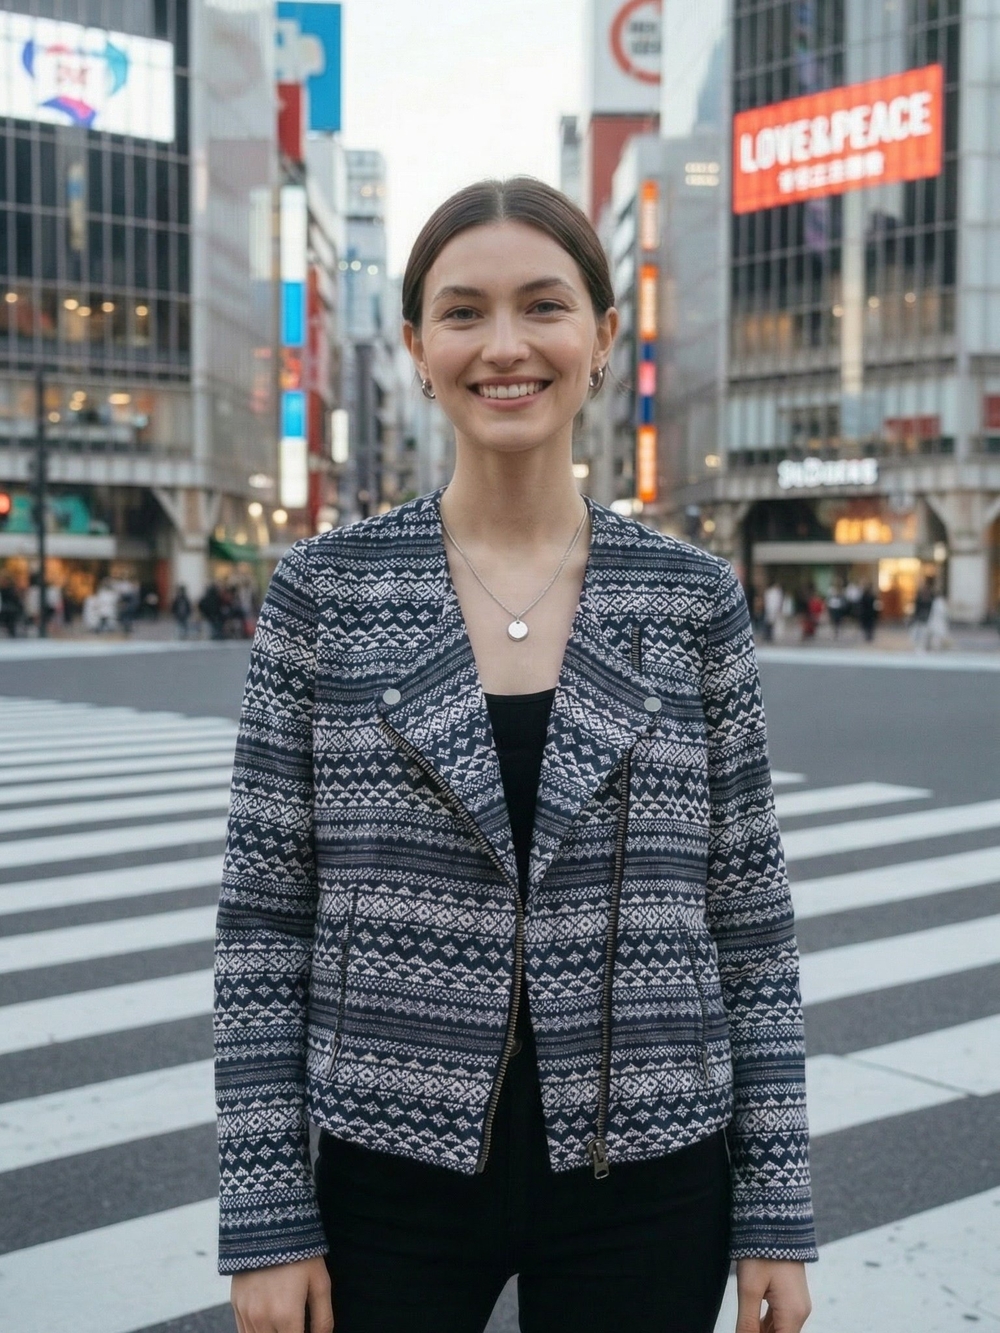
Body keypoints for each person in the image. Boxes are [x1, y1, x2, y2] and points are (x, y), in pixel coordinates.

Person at [216, 178, 816, 1333]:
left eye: (543, 306)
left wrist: (774, 1209)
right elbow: (263, 924)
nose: (504, 346)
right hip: (386, 1163)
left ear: (602, 337)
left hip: (652, 1167)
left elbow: (749, 922)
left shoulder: (689, 599)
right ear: (416, 348)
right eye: (463, 312)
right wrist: (269, 1216)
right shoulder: (326, 592)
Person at [910, 578, 934, 651]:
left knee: (928, 632)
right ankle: (920, 644)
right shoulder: (920, 599)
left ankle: (927, 645)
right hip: (920, 618)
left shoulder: (931, 600)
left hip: (928, 619)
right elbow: (917, 609)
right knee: (920, 632)